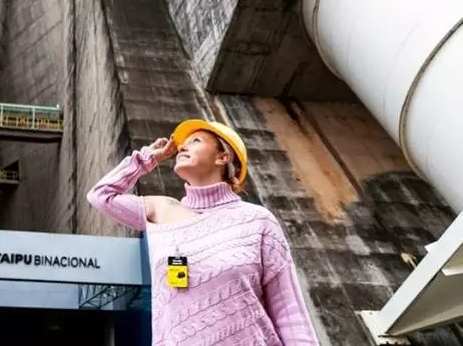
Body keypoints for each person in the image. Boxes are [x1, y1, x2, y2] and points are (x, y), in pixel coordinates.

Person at [86, 119, 319, 345]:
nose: (182, 147)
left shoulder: (257, 220)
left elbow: (289, 311)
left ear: (223, 157)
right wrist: (147, 159)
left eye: (195, 141)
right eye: (183, 143)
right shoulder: (161, 209)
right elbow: (101, 195)